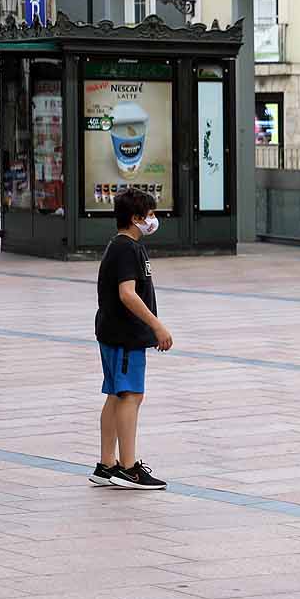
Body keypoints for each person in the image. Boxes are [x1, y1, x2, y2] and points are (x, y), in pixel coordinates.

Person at [91, 189, 171, 491]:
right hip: (125, 335)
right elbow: (127, 294)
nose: (154, 220)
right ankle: (127, 468)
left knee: (116, 393)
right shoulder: (126, 248)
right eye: (150, 215)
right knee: (131, 395)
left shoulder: (126, 246)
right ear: (136, 219)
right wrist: (157, 326)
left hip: (115, 332)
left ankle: (106, 464)